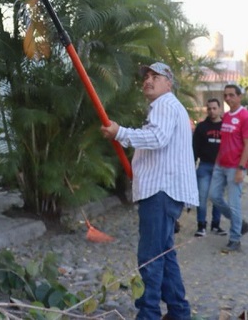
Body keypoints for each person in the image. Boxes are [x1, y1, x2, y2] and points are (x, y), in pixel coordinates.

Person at [101, 62, 198, 320]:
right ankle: (178, 312)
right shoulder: (168, 108)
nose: (148, 80)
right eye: (146, 76)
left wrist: (119, 132)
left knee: (150, 258)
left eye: (155, 76)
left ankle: (149, 315)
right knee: (165, 257)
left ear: (169, 83)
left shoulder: (166, 104)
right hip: (164, 191)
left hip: (161, 191)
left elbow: (157, 138)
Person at [208, 84, 248, 253]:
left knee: (234, 205)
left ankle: (235, 239)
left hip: (235, 167)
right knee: (214, 196)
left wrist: (241, 168)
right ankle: (240, 223)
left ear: (239, 97)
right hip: (220, 165)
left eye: (231, 95)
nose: (228, 99)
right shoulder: (226, 116)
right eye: (225, 95)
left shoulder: (245, 117)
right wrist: (217, 163)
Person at [192, 97, 226, 237]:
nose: (212, 111)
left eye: (214, 108)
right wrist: (191, 166)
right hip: (204, 166)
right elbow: (194, 148)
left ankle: (216, 225)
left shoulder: (225, 126)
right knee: (202, 197)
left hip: (220, 167)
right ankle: (201, 225)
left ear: (219, 109)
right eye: (209, 108)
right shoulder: (201, 127)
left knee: (217, 197)